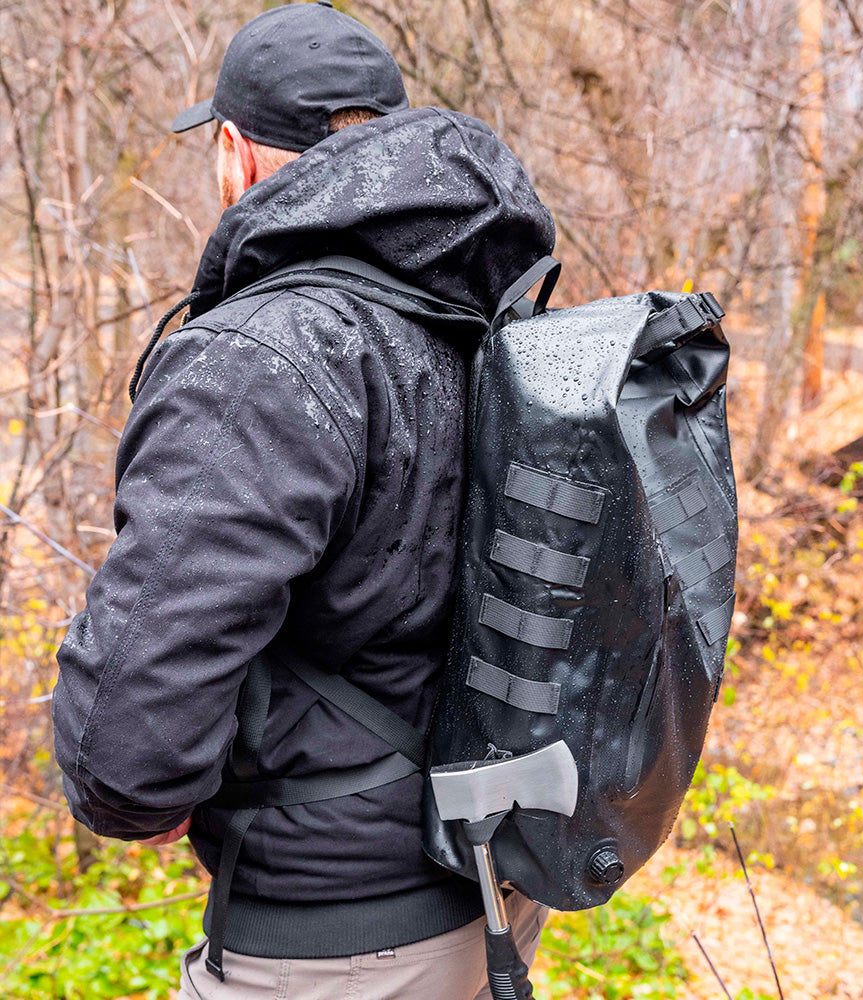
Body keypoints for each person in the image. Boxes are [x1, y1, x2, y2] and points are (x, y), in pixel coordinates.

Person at [51, 2, 556, 996]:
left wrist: (131, 791)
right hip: (490, 885)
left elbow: (129, 755)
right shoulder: (473, 315)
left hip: (329, 939)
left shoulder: (259, 358)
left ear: (235, 154)